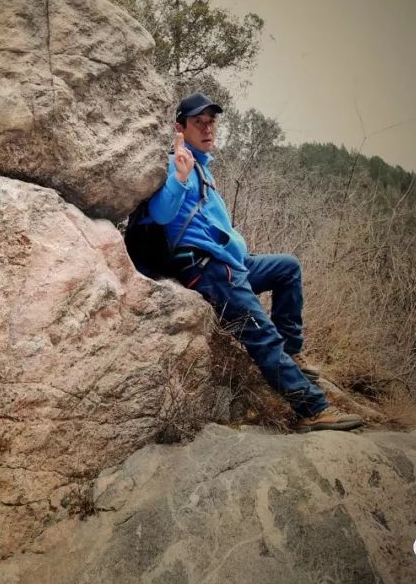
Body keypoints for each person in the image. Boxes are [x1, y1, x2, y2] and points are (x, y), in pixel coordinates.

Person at [148, 92, 364, 432]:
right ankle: (313, 410)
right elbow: (162, 214)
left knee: (287, 267)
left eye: (211, 122)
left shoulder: (203, 168)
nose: (207, 129)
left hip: (232, 263)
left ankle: (291, 352)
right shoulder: (179, 164)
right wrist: (179, 176)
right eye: (198, 123)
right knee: (262, 336)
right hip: (210, 270)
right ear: (180, 128)